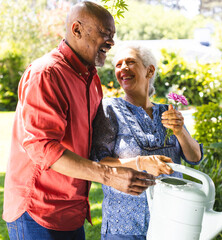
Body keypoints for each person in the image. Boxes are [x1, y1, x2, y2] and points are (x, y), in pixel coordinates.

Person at [3, 2, 172, 240]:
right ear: (77, 29)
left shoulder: (91, 80)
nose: (111, 43)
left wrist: (140, 161)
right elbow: (43, 148)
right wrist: (109, 175)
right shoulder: (46, 73)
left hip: (72, 210)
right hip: (38, 210)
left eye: (112, 36)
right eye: (104, 34)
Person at [90, 44, 203, 240]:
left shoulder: (166, 111)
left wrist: (180, 132)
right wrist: (140, 162)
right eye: (118, 64)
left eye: (130, 62)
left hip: (171, 221)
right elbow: (100, 163)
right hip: (124, 224)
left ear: (149, 70)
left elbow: (195, 157)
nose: (123, 68)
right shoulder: (110, 109)